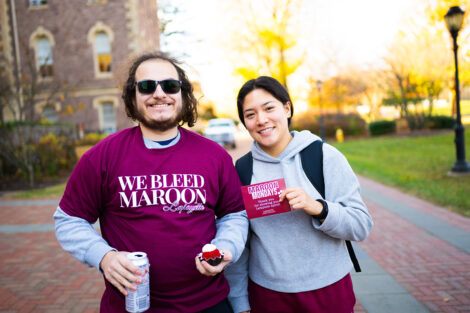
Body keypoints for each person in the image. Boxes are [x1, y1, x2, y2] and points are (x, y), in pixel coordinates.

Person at [54, 51, 248, 313]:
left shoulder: (215, 156)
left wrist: (226, 247)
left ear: (183, 95)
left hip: (209, 304)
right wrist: (104, 257)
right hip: (131, 306)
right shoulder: (101, 157)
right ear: (133, 97)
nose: (159, 94)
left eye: (170, 85)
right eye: (146, 86)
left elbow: (234, 215)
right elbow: (69, 219)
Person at [225, 76, 373, 313]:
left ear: (287, 108)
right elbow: (242, 244)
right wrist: (240, 301)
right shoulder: (242, 169)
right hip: (267, 294)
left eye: (269, 108)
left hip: (328, 289)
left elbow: (361, 225)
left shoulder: (324, 156)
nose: (261, 120)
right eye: (250, 114)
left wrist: (319, 208)